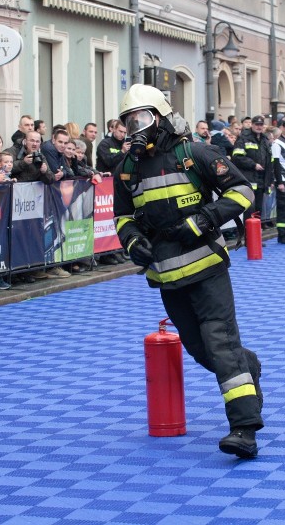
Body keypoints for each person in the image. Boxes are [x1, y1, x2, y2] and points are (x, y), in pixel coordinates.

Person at [113, 84, 263, 458]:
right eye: (129, 120)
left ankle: (244, 429)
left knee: (220, 343)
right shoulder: (126, 169)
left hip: (208, 268)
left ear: (161, 117)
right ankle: (250, 367)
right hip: (166, 275)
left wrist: (202, 220)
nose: (136, 126)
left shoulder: (194, 152)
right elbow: (123, 216)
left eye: (142, 118)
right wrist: (132, 241)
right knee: (198, 349)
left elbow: (243, 192)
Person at [232, 115, 271, 226]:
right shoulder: (244, 137)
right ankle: (248, 237)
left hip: (261, 181)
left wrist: (270, 180)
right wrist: (253, 165)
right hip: (249, 179)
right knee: (250, 211)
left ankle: (256, 238)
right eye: (256, 124)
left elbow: (269, 161)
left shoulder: (264, 139)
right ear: (252, 125)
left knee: (258, 211)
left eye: (261, 125)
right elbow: (237, 157)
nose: (259, 127)